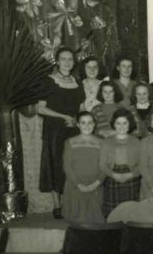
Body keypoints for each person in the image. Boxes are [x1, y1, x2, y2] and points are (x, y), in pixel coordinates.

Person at [37, 47, 85, 219]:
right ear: (57, 61)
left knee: (73, 164)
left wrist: (79, 122)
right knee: (56, 164)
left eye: (70, 59)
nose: (67, 62)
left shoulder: (78, 82)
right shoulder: (48, 81)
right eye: (63, 59)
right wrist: (63, 116)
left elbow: (82, 108)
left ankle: (72, 202)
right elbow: (40, 108)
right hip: (55, 129)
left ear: (74, 62)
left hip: (73, 128)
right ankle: (57, 205)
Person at [62, 111, 105, 223]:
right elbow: (67, 166)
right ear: (78, 125)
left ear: (94, 124)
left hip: (95, 185)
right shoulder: (70, 142)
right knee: (77, 222)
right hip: (75, 186)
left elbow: (105, 166)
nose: (87, 126)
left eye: (90, 122)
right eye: (83, 123)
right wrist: (78, 184)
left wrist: (96, 183)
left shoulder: (102, 143)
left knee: (95, 221)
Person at [99, 108, 141, 218]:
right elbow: (102, 164)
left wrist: (130, 174)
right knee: (113, 214)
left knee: (131, 213)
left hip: (131, 177)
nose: (121, 126)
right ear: (114, 124)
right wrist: (114, 175)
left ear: (129, 124)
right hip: (112, 176)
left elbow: (141, 164)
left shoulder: (136, 142)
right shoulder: (106, 142)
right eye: (118, 123)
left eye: (125, 123)